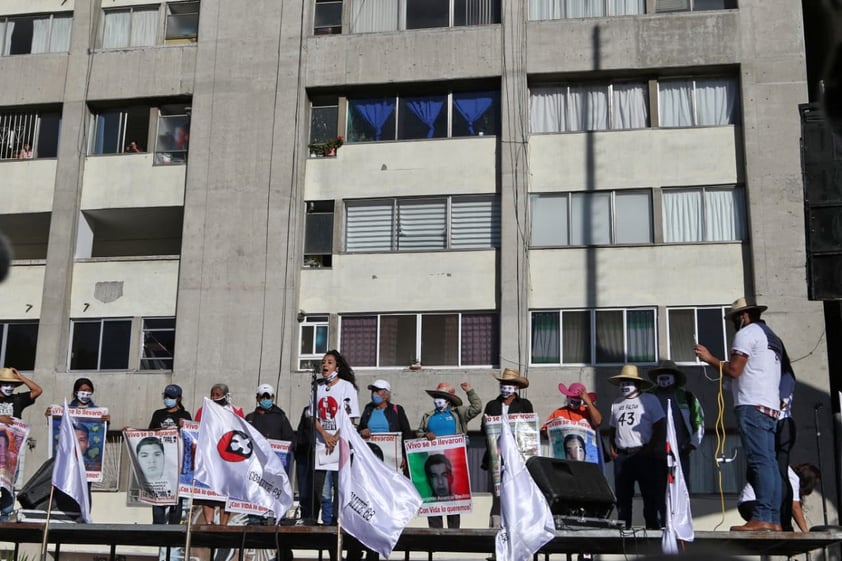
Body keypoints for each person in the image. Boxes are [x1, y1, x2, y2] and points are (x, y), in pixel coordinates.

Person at [695, 296, 784, 532]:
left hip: (752, 404)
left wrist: (709, 359)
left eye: (735, 319)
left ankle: (763, 515)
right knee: (770, 463)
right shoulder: (772, 337)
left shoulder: (746, 333)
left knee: (759, 463)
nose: (734, 324)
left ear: (743, 316)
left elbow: (734, 369)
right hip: (770, 406)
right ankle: (773, 518)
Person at [608, 364, 665, 530]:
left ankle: (653, 529)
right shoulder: (616, 403)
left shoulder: (649, 400)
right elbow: (612, 427)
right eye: (623, 382)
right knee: (623, 496)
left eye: (629, 382)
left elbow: (660, 425)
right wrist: (611, 446)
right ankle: (624, 530)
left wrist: (651, 447)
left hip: (643, 453)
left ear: (638, 384)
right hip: (622, 456)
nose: (625, 385)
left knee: (650, 495)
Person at [417, 381, 481, 529]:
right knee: (433, 502)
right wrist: (426, 434)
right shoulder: (428, 416)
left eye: (440, 397)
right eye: (436, 397)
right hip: (432, 458)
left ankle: (453, 537)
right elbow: (419, 432)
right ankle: (434, 541)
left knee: (454, 500)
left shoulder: (458, 413)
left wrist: (470, 391)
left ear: (448, 400)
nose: (437, 400)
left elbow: (477, 408)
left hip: (453, 460)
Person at [312, 350, 360, 525]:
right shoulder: (317, 387)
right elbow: (312, 416)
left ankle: (338, 522)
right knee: (324, 491)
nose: (325, 365)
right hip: (322, 444)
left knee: (339, 486)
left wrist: (336, 437)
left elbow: (350, 417)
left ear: (337, 367)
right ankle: (326, 522)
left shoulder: (347, 387)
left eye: (329, 362)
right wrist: (325, 435)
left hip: (340, 445)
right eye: (323, 362)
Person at [481, 368, 533, 529]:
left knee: (517, 495)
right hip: (497, 458)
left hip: (518, 458)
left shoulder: (525, 405)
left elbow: (529, 431)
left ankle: (517, 531)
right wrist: (486, 423)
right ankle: (496, 534)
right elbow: (484, 432)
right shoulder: (492, 405)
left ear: (516, 387)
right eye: (503, 384)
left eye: (509, 384)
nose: (505, 387)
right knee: (498, 496)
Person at [647, 360, 704, 483]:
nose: (663, 377)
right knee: (656, 493)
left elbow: (699, 423)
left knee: (680, 489)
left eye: (668, 373)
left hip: (679, 453)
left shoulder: (687, 397)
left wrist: (692, 445)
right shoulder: (648, 396)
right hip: (654, 455)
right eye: (661, 373)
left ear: (675, 377)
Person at [195, 383, 243, 525]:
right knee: (208, 492)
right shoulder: (203, 410)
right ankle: (209, 523)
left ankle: (223, 525)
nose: (214, 397)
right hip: (209, 457)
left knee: (225, 493)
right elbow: (196, 430)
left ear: (226, 395)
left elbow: (241, 433)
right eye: (212, 394)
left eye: (217, 394)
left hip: (228, 459)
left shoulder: (235, 411)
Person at [0, 367, 42, 521]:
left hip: (11, 454)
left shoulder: (17, 400)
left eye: (12, 384)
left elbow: (37, 390)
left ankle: (4, 519)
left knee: (8, 486)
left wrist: (21, 377)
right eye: (6, 384)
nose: (9, 387)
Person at [146, 384, 191, 524]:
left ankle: (174, 531)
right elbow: (148, 434)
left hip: (177, 464)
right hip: (160, 464)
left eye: (171, 397)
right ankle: (158, 530)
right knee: (158, 497)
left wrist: (186, 426)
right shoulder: (158, 414)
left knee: (176, 500)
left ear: (178, 398)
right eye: (166, 396)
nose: (167, 399)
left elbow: (190, 437)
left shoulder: (185, 415)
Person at [738, 463, 820, 533]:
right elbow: (795, 507)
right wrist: (805, 531)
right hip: (753, 504)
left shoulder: (787, 471)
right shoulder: (792, 477)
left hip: (746, 504)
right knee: (784, 524)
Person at [357, 379, 414, 472]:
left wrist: (403, 455)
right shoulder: (368, 409)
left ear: (386, 394)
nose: (373, 394)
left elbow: (406, 432)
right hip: (371, 455)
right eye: (372, 391)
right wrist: (361, 432)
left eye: (377, 391)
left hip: (392, 458)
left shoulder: (397, 410)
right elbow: (360, 429)